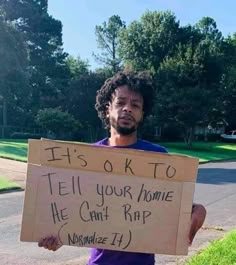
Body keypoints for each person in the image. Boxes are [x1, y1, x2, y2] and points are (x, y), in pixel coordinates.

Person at [38, 71, 207, 265]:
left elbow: (174, 208)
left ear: (142, 114)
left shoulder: (158, 159)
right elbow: (74, 215)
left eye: (135, 105)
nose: (127, 109)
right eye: (120, 103)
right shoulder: (87, 159)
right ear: (108, 108)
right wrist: (58, 237)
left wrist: (197, 211)